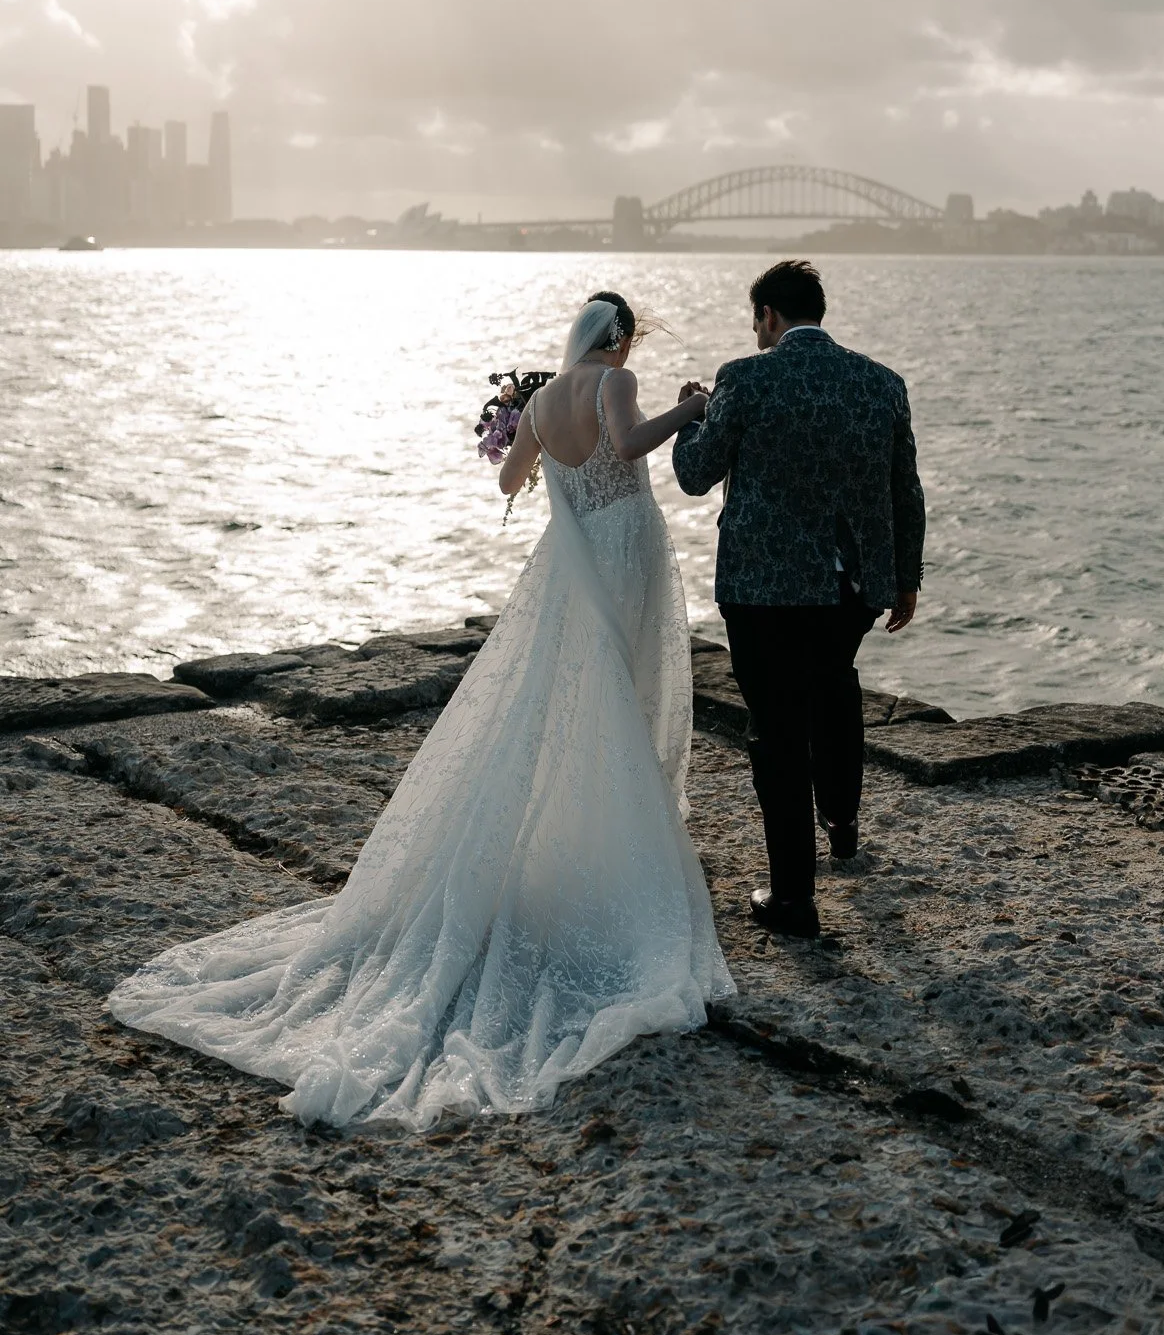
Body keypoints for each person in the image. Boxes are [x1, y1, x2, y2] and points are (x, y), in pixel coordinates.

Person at [108, 293, 734, 1128]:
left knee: (564, 700)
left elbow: (511, 478)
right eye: (630, 344)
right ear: (617, 340)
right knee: (620, 693)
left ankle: (564, 842)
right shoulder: (616, 385)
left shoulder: (542, 403)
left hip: (566, 562)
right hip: (622, 548)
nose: (627, 357)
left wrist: (523, 430)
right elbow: (627, 444)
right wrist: (691, 408)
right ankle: (613, 849)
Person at [673, 260, 925, 939]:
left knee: (776, 729)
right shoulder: (880, 383)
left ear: (770, 317)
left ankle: (792, 898)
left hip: (763, 588)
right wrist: (905, 577)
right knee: (835, 686)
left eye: (754, 319)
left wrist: (691, 415)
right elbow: (905, 488)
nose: (753, 330)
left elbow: (696, 475)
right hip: (853, 587)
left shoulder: (745, 378)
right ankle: (841, 825)